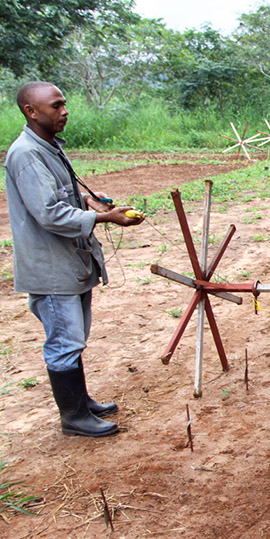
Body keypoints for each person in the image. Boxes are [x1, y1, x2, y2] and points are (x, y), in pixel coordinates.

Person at [4, 81, 143, 437]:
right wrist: (105, 217)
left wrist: (91, 202)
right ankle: (74, 417)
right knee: (65, 341)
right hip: (51, 267)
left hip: (68, 262)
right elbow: (49, 214)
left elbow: (62, 196)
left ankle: (81, 403)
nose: (64, 111)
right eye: (55, 106)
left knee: (74, 336)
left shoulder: (48, 147)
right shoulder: (26, 154)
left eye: (64, 104)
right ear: (31, 112)